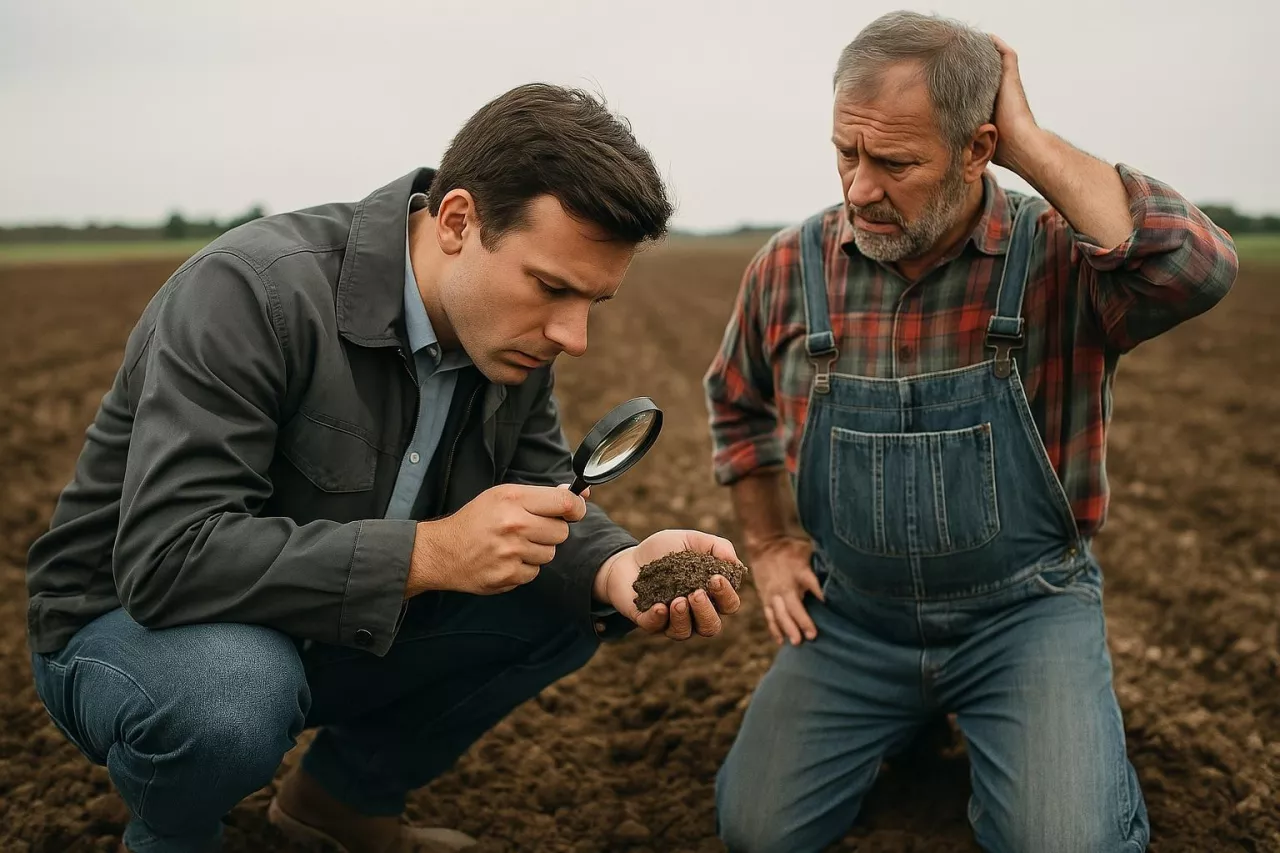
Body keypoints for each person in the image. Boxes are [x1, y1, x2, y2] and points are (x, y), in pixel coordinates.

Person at [25, 82, 743, 853]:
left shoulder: (505, 335)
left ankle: (338, 805)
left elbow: (537, 484)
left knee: (564, 598)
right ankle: (175, 836)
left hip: (316, 617)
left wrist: (618, 566)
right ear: (460, 221)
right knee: (231, 695)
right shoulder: (253, 292)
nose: (573, 335)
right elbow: (166, 559)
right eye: (552, 288)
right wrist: (431, 552)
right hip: (131, 624)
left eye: (592, 303)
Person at [704, 11, 1237, 853]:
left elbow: (1197, 266)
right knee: (756, 830)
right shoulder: (789, 265)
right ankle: (905, 723)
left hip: (1024, 616)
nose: (858, 187)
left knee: (1069, 842)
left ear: (977, 147)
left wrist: (1030, 143)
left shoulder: (1059, 254)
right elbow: (735, 401)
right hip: (855, 620)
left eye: (895, 162)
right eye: (846, 151)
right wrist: (769, 544)